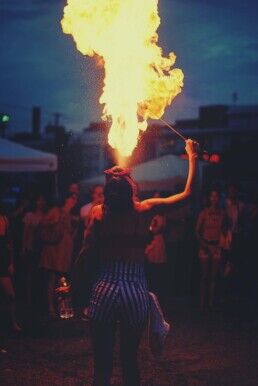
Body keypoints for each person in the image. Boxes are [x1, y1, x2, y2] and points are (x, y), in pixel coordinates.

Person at [82, 139, 197, 386]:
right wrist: (192, 156)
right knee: (130, 360)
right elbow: (188, 195)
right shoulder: (144, 209)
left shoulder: (98, 213)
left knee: (102, 363)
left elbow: (86, 253)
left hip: (104, 288)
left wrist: (75, 286)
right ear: (130, 187)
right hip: (135, 291)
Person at [196, 190, 227, 309]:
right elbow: (197, 231)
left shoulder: (222, 213)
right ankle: (202, 303)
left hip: (216, 246)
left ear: (219, 198)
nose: (214, 198)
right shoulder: (204, 213)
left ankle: (211, 303)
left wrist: (220, 244)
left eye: (216, 196)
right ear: (209, 198)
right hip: (205, 245)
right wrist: (204, 244)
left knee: (213, 276)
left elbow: (224, 230)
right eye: (212, 196)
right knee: (204, 276)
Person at [22, 195, 47, 307]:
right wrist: (24, 247)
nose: (41, 203)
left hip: (42, 247)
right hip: (31, 247)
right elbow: (26, 232)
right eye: (39, 200)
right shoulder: (29, 215)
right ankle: (29, 300)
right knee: (30, 274)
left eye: (43, 200)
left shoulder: (46, 215)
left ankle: (39, 300)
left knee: (40, 274)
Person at [0, 203, 21, 331]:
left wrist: (11, 262)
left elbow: (9, 243)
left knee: (10, 295)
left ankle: (13, 323)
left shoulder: (4, 219)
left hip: (2, 260)